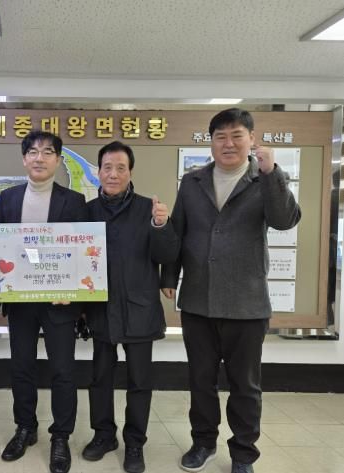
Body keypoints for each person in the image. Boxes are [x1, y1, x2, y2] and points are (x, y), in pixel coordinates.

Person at [161, 108, 301, 473]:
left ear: (251, 139)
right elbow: (179, 230)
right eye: (220, 136)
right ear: (210, 142)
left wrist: (272, 173)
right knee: (200, 382)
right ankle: (203, 442)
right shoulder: (192, 182)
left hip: (247, 303)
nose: (228, 143)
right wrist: (169, 277)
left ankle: (243, 454)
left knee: (245, 386)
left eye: (237, 135)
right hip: (198, 300)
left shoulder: (264, 178)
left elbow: (284, 220)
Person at [83, 141, 180, 473]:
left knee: (139, 381)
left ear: (130, 172)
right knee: (99, 378)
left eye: (120, 168)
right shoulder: (86, 211)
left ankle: (135, 442)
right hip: (100, 309)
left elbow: (167, 255)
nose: (113, 174)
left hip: (139, 308)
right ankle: (103, 435)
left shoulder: (148, 209)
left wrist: (161, 225)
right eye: (107, 167)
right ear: (98, 172)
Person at [0, 130, 87, 473]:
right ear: (24, 159)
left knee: (63, 370)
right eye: (33, 152)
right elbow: (3, 242)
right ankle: (25, 427)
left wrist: (74, 294)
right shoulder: (8, 198)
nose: (39, 158)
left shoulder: (74, 200)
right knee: (21, 366)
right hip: (21, 300)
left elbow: (81, 250)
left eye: (48, 152)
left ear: (58, 160)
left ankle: (60, 436)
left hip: (59, 301)